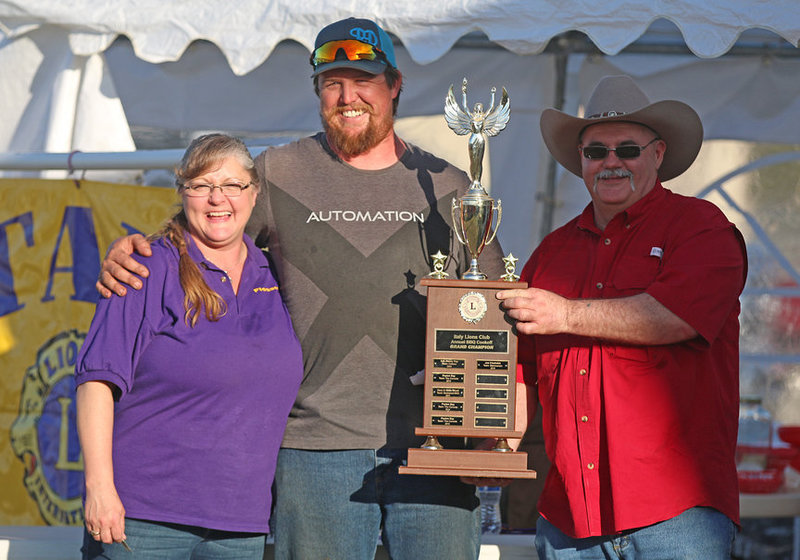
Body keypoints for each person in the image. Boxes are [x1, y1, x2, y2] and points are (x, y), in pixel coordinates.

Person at [96, 17, 510, 560]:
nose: (348, 97)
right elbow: (204, 234)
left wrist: (490, 423)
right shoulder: (277, 173)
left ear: (394, 85)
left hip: (433, 445)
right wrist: (136, 250)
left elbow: (492, 312)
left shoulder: (450, 186)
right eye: (332, 83)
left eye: (363, 81)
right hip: (313, 449)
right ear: (317, 91)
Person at [496, 75, 748, 559]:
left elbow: (675, 318)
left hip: (677, 515)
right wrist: (494, 447)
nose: (611, 162)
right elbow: (520, 370)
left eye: (627, 150)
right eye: (596, 152)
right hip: (570, 519)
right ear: (581, 161)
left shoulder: (702, 228)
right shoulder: (552, 252)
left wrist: (564, 313)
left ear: (658, 154)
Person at [76, 134, 303, 558]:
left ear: (254, 194)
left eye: (232, 185)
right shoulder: (144, 268)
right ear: (182, 192)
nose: (218, 199)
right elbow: (96, 383)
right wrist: (99, 489)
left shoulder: (276, 271)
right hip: (142, 520)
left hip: (240, 526)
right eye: (201, 185)